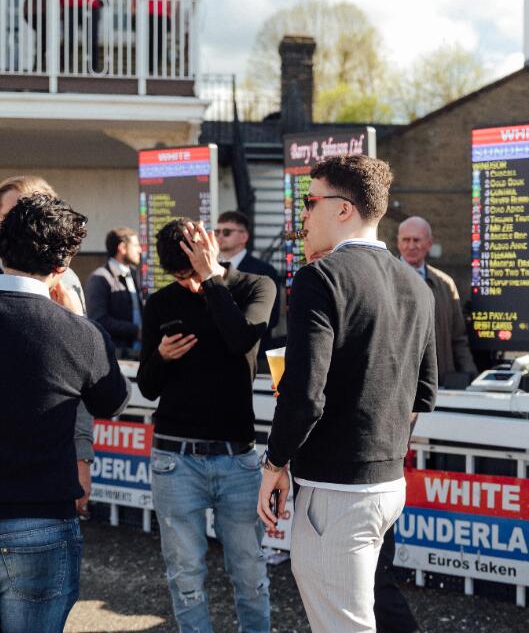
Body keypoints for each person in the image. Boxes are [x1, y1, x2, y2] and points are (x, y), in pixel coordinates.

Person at [258, 155, 437, 631]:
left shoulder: (319, 279)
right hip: (387, 483)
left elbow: (304, 394)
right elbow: (423, 394)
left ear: (342, 209)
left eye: (309, 202)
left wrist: (274, 465)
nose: (303, 217)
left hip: (336, 491)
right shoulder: (416, 288)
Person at [137, 218, 275, 632]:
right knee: (185, 576)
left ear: (210, 251)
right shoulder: (161, 302)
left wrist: (212, 280)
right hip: (174, 459)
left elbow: (241, 340)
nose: (190, 285)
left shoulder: (256, 287)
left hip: (237, 459)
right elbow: (147, 386)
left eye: (193, 272)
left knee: (250, 576)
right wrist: (161, 357)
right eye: (181, 277)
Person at [0, 193, 130, 632]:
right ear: (62, 266)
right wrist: (80, 321)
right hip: (42, 520)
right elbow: (113, 401)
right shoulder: (82, 335)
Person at [0, 174, 95, 518]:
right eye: (4, 217)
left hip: (45, 481)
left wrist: (81, 457)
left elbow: (84, 373)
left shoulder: (64, 279)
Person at [397, 215, 477, 385]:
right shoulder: (384, 280)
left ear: (429, 243)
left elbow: (459, 340)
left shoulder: (446, 285)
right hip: (399, 387)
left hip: (439, 385)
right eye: (406, 240)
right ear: (398, 242)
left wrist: (471, 378)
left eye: (416, 240)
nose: (411, 246)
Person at [215, 210, 281, 352]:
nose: (220, 236)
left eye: (226, 232)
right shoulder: (210, 268)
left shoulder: (264, 271)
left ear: (243, 236)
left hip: (254, 353)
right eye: (217, 232)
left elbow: (272, 318)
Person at [86, 227, 143, 353]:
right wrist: (136, 331)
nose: (140, 250)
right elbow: (98, 319)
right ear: (122, 248)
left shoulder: (134, 274)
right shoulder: (99, 278)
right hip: (116, 356)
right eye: (136, 245)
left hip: (138, 353)